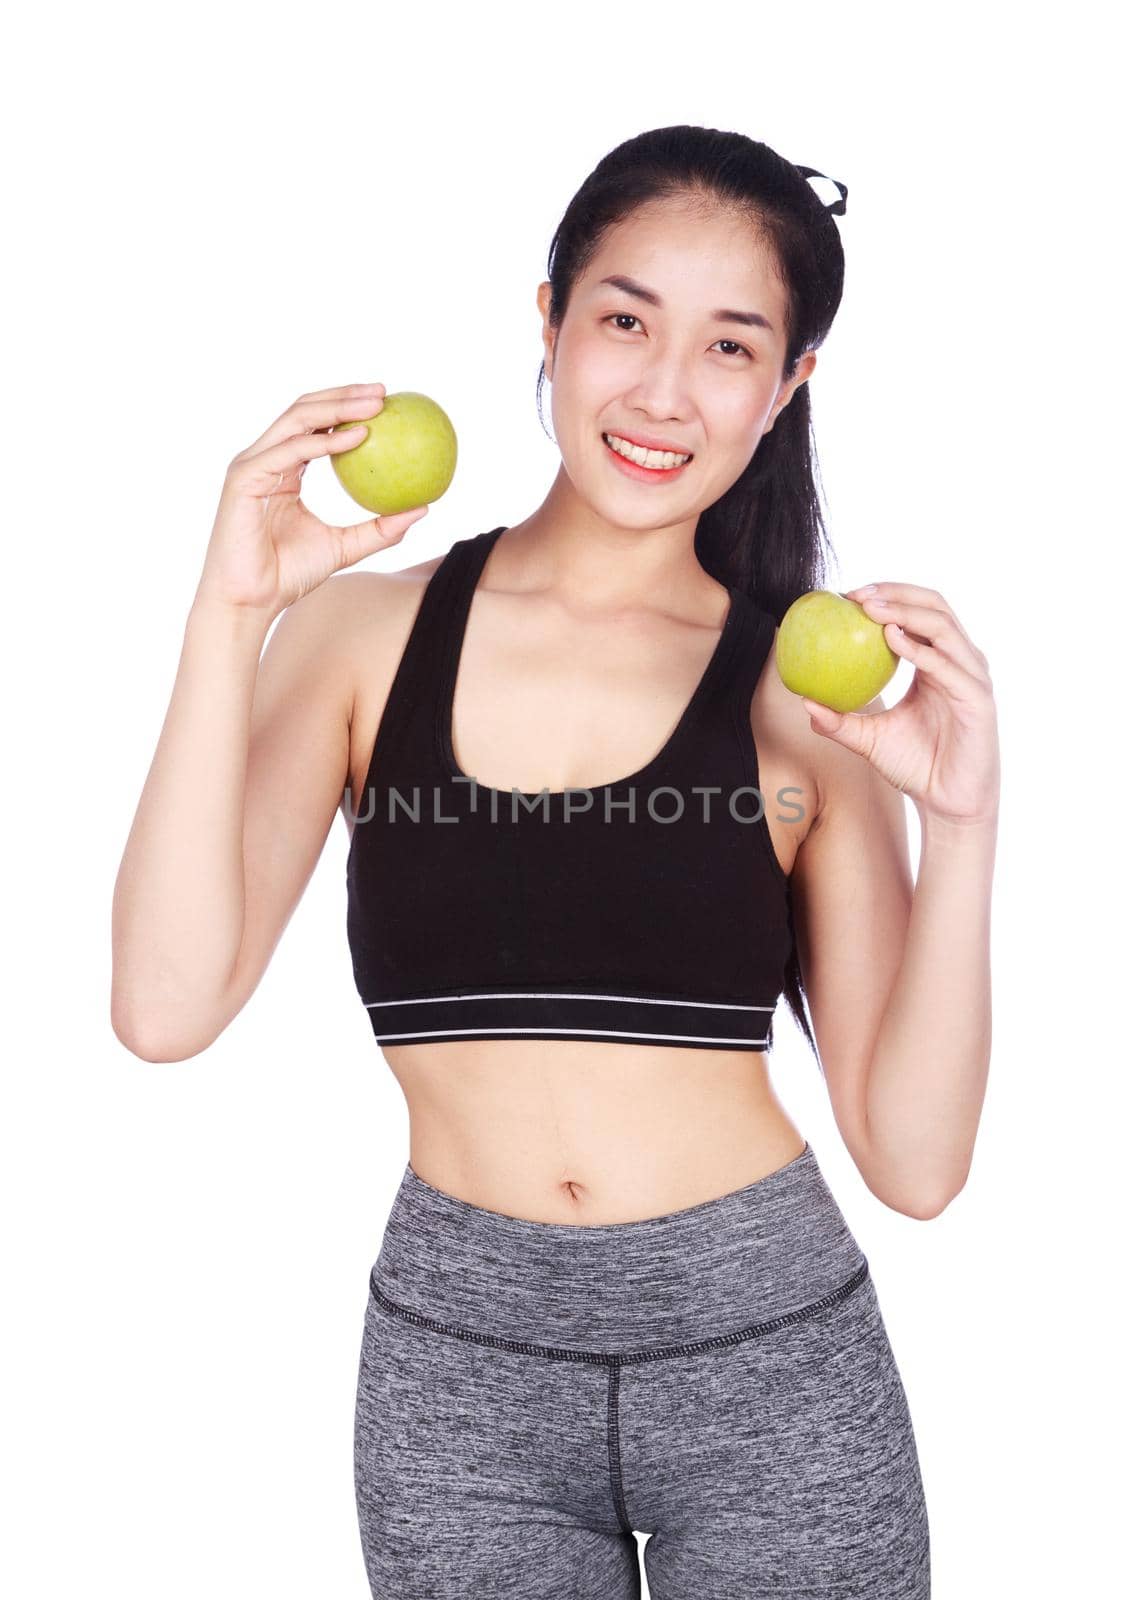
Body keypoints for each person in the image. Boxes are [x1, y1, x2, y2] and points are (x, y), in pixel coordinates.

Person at [111, 124, 999, 1598]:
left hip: (769, 1357)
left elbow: (914, 1163)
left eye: (728, 348)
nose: (661, 392)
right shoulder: (363, 639)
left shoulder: (806, 694)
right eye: (624, 320)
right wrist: (226, 614)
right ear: (549, 320)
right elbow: (162, 1004)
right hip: (463, 1378)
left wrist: (962, 826)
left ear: (787, 389)